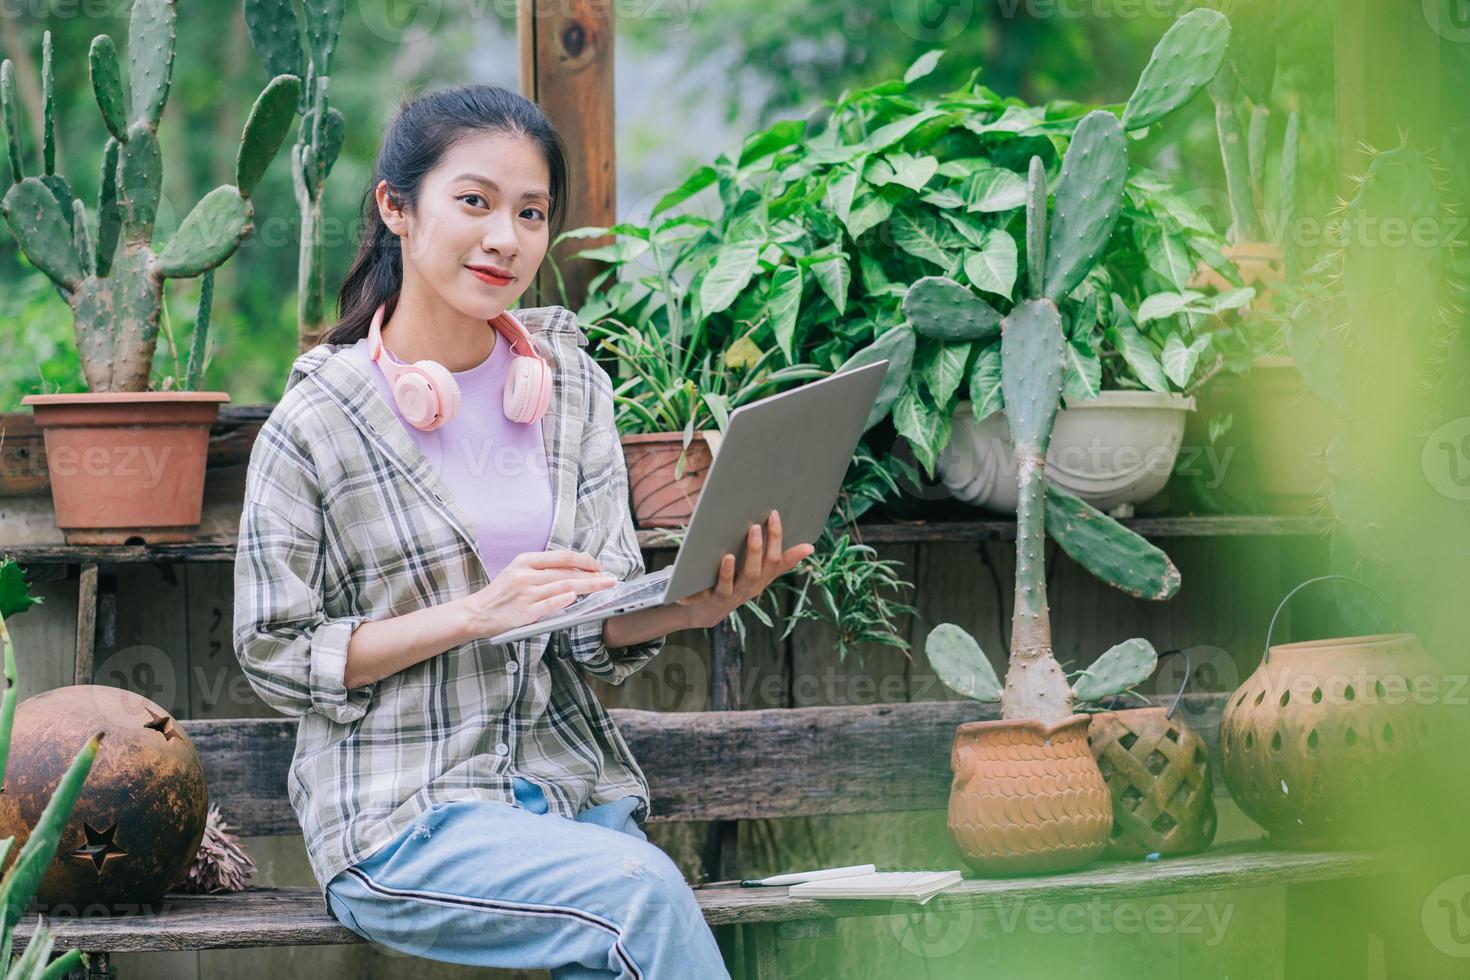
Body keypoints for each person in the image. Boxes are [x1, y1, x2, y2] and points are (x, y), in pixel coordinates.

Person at [232, 84, 812, 979]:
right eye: (475, 201)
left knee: (627, 909)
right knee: (642, 899)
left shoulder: (570, 387)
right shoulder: (317, 424)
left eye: (531, 212)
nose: (506, 237)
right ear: (396, 207)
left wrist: (691, 608)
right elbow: (274, 650)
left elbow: (593, 615)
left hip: (566, 793)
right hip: (402, 815)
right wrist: (474, 615)